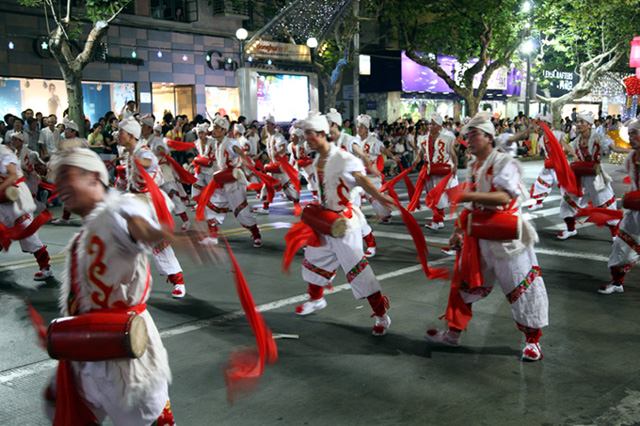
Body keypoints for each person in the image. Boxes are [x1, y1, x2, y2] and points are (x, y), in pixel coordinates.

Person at [47, 144, 174, 425]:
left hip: (125, 353)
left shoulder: (116, 211)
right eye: (57, 180)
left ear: (94, 178)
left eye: (66, 176)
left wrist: (155, 232)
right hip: (87, 349)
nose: (59, 187)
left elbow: (133, 221)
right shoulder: (85, 234)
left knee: (146, 417)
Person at [424, 111, 549, 362]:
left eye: (474, 134)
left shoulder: (504, 163)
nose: (468, 139)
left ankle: (532, 341)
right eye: (466, 134)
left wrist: (469, 196)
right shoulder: (473, 166)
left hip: (507, 240)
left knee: (520, 289)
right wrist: (459, 230)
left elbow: (505, 197)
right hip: (479, 236)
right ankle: (453, 333)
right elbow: (471, 206)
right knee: (464, 285)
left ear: (489, 137)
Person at [293, 112, 394, 336]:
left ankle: (381, 315)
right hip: (325, 222)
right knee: (313, 260)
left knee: (358, 272)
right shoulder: (317, 159)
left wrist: (378, 195)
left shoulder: (344, 157)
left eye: (309, 134)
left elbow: (360, 178)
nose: (306, 138)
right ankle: (316, 299)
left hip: (344, 224)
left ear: (321, 134)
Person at [118, 117, 188, 298]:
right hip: (133, 201)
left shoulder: (142, 152)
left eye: (121, 133)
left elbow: (152, 162)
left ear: (131, 135)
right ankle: (125, 280)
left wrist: (142, 163)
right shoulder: (130, 153)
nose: (118, 136)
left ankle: (178, 280)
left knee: (157, 243)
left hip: (148, 203)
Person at [557, 112, 628, 240]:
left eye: (582, 122)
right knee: (567, 202)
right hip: (580, 178)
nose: (578, 124)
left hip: (596, 177)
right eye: (577, 122)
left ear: (589, 125)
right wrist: (558, 140)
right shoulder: (576, 141)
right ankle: (570, 229)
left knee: (606, 205)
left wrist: (634, 150)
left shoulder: (599, 138)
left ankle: (615, 233)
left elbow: (615, 148)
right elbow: (565, 151)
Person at [198, 116, 263, 247]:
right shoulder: (216, 143)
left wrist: (244, 158)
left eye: (216, 128)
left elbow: (237, 149)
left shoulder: (230, 143)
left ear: (223, 130)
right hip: (221, 180)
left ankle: (256, 235)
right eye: (214, 128)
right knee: (209, 206)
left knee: (241, 213)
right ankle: (213, 236)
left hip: (234, 181)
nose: (214, 130)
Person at [327, 109, 380, 258]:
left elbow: (360, 153)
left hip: (350, 188)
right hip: (335, 188)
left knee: (354, 218)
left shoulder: (347, 139)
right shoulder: (328, 142)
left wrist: (369, 165)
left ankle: (370, 244)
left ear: (334, 124)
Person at [0, 141, 52, 280]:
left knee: (27, 233)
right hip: (3, 201)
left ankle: (45, 267)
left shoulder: (3, 154)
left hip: (17, 199)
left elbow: (12, 175)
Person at [600, 119, 640, 294]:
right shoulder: (632, 157)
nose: (631, 137)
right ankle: (617, 282)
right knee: (621, 245)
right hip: (635, 211)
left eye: (635, 133)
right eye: (630, 133)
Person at [140, 115, 190, 232]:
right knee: (151, 198)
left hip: (162, 171)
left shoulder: (156, 140)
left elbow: (164, 151)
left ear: (148, 127)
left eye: (143, 126)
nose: (141, 128)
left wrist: (162, 152)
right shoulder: (142, 141)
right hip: (149, 173)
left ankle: (185, 220)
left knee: (173, 196)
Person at [411, 113, 458, 230]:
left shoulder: (447, 139)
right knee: (431, 194)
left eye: (433, 124)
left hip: (442, 170)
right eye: (429, 124)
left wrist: (455, 165)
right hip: (429, 170)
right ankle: (438, 219)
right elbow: (420, 154)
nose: (430, 126)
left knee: (439, 195)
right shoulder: (423, 139)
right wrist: (416, 161)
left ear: (439, 126)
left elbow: (453, 154)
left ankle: (437, 220)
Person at [355, 114, 399, 224]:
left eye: (361, 127)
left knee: (376, 198)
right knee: (353, 195)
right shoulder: (354, 140)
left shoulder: (373, 140)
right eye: (358, 126)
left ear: (366, 129)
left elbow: (383, 149)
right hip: (358, 175)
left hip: (372, 176)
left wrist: (393, 156)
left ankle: (386, 214)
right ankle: (355, 217)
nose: (358, 129)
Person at [254, 114, 300, 214]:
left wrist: (278, 151)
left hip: (280, 167)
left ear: (272, 125)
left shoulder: (278, 136)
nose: (266, 126)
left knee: (288, 188)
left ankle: (297, 207)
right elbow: (262, 137)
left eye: (267, 124)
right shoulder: (269, 137)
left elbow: (283, 146)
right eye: (265, 124)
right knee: (266, 185)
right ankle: (265, 208)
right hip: (273, 167)